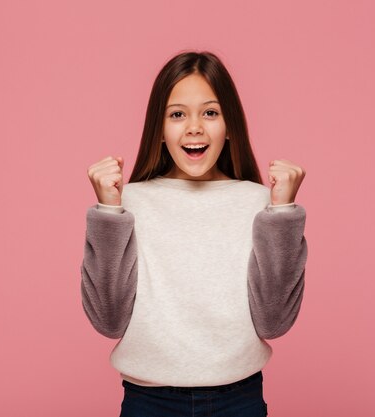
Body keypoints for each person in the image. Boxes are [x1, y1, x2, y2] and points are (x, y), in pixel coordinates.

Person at [80, 50, 308, 417]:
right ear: (159, 129)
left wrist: (282, 212)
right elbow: (108, 320)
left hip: (240, 399)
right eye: (177, 114)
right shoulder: (128, 202)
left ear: (229, 124)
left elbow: (275, 321)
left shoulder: (260, 203)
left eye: (210, 112)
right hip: (149, 401)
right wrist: (108, 211)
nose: (194, 127)